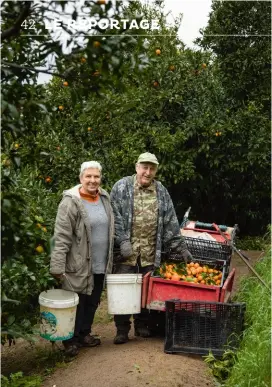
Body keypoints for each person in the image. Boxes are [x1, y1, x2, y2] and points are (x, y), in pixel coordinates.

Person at [110, 152, 192, 344]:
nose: (147, 172)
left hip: (149, 251)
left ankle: (141, 325)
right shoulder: (121, 187)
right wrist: (122, 241)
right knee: (123, 289)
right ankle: (122, 329)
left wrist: (181, 248)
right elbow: (114, 216)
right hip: (126, 252)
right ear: (137, 167)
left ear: (155, 171)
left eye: (152, 168)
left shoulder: (161, 191)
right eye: (144, 167)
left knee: (147, 289)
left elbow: (170, 221)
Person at [50, 161, 114, 356]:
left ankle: (85, 334)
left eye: (96, 177)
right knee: (77, 302)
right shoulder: (70, 202)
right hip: (78, 263)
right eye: (88, 176)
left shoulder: (104, 197)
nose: (93, 180)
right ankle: (70, 340)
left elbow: (109, 227)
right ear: (81, 178)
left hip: (100, 262)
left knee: (93, 301)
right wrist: (57, 265)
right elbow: (61, 236)